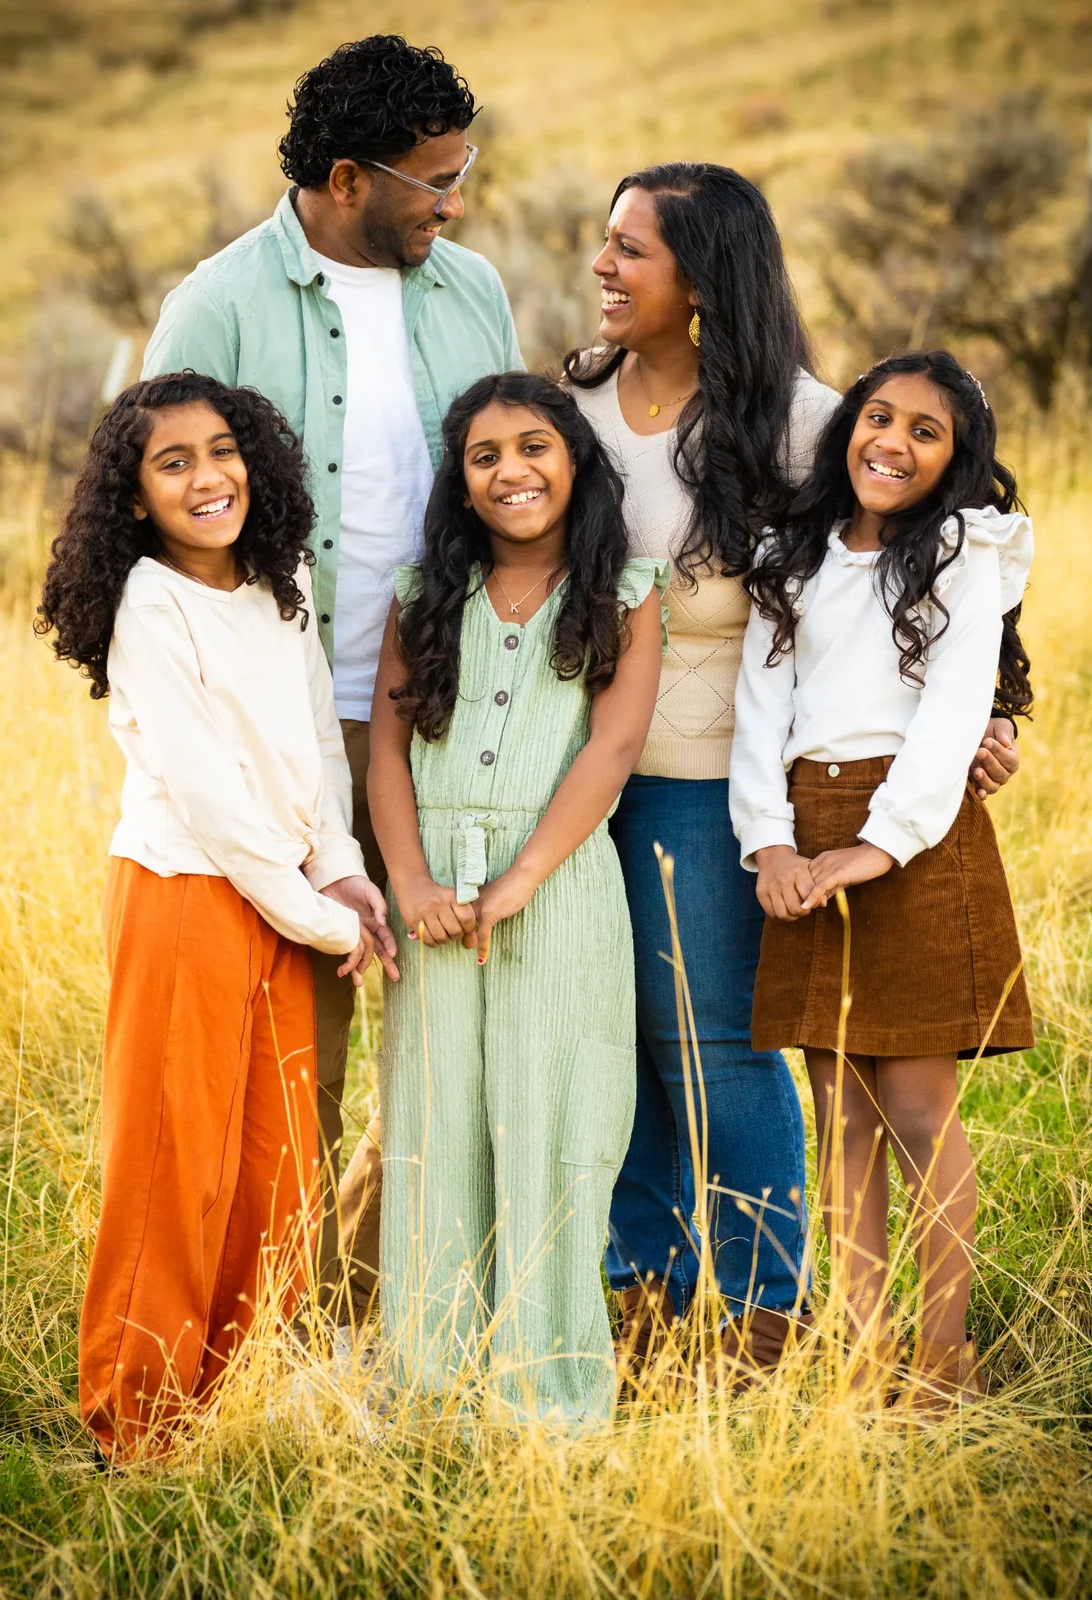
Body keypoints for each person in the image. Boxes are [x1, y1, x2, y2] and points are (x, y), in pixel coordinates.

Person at [564, 163, 1022, 1388]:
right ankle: (642, 1290)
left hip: (719, 783)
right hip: (570, 782)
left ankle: (767, 1306)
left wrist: (987, 720)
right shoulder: (576, 404)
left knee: (714, 1044)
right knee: (612, 1042)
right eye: (600, 243)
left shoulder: (806, 419)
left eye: (630, 249)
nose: (600, 267)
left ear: (704, 279)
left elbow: (930, 588)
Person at [140, 35, 522, 1317]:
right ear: (350, 178)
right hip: (292, 730)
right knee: (305, 1030)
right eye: (435, 180)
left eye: (462, 171)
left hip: (455, 715)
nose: (455, 201)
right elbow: (151, 516)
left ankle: (405, 1296)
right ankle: (284, 1320)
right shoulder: (217, 305)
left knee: (457, 1019)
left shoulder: (471, 291)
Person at [34, 372, 394, 1459]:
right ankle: (135, 1417)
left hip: (285, 896)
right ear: (134, 497)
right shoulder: (151, 601)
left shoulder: (277, 576)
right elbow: (210, 794)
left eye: (221, 450)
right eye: (172, 461)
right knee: (170, 1158)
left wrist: (341, 869)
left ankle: (232, 1395)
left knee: (273, 1159)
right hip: (189, 890)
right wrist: (319, 916)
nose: (206, 476)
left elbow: (313, 745)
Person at [731, 350, 1035, 1411]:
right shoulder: (791, 551)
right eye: (877, 417)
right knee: (838, 1112)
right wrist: (769, 841)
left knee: (912, 1105)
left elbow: (956, 705)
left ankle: (941, 1354)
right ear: (844, 425)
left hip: (911, 832)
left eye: (923, 431)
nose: (890, 443)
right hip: (807, 830)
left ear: (954, 461)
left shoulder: (956, 549)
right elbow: (760, 711)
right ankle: (862, 1354)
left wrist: (881, 841)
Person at [367, 372, 666, 1422]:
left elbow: (614, 746)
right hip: (434, 899)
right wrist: (408, 881)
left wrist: (523, 875)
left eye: (533, 445)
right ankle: (429, 1376)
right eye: (484, 455)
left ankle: (545, 1384)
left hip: (558, 882)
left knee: (551, 1120)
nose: (511, 471)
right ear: (458, 480)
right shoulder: (420, 596)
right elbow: (389, 754)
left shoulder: (623, 593)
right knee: (438, 1122)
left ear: (574, 461)